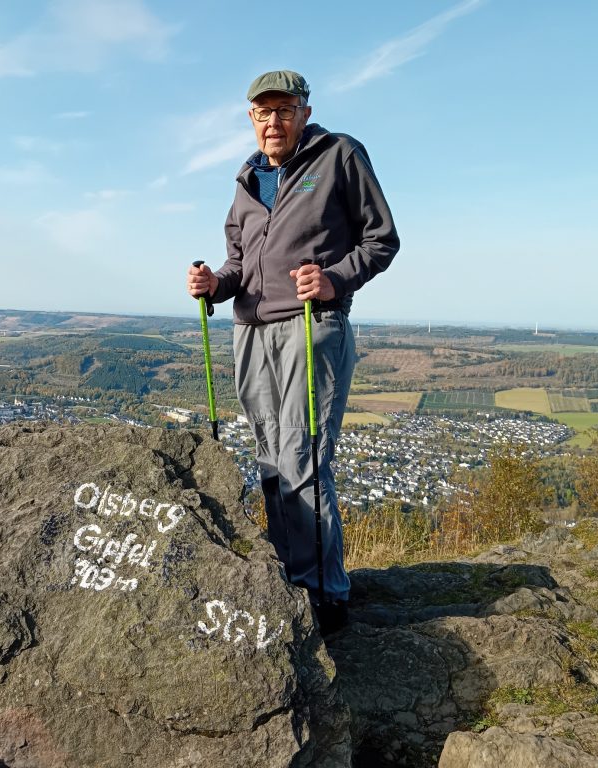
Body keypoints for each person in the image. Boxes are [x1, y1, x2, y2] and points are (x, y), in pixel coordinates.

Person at [187, 70, 399, 634]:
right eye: (262, 113)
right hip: (250, 330)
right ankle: (289, 575)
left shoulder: (338, 155)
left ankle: (325, 594)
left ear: (305, 112)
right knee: (269, 461)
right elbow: (238, 263)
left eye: (284, 111)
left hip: (312, 324)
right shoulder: (248, 177)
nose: (273, 122)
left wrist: (333, 280)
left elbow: (381, 241)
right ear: (250, 119)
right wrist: (215, 285)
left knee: (301, 457)